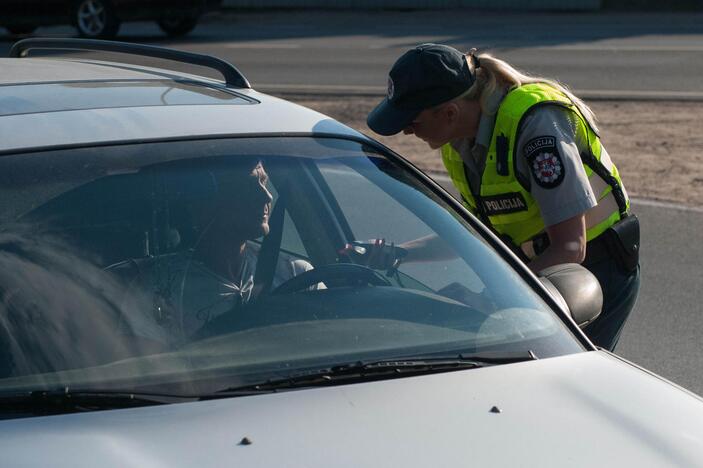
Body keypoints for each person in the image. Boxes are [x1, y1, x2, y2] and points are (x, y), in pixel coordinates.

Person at [365, 43, 640, 351]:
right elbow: (476, 235)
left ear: (449, 112)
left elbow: (570, 247)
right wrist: (398, 252)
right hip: (538, 271)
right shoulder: (457, 142)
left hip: (592, 273)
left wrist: (492, 301)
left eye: (411, 122)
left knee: (568, 380)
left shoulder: (535, 127)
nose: (406, 132)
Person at [110, 159, 317, 345]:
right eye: (249, 185)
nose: (267, 195)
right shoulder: (158, 292)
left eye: (264, 182)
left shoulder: (297, 275)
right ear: (204, 203)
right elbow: (150, 373)